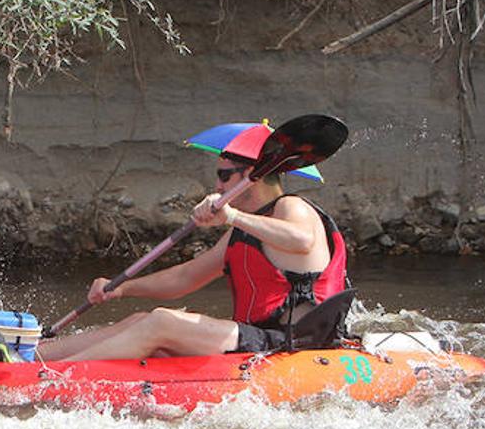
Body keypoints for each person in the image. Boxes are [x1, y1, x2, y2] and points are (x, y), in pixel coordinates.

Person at [36, 125, 349, 362]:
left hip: (292, 342)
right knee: (141, 319)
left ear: (251, 174)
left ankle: (51, 376)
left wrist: (231, 216)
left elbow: (302, 239)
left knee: (162, 321)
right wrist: (122, 289)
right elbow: (185, 278)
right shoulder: (243, 230)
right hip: (259, 337)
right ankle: (36, 355)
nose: (217, 185)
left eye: (225, 176)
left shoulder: (291, 207)